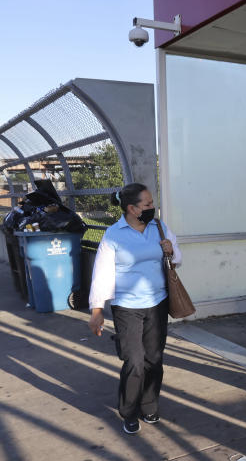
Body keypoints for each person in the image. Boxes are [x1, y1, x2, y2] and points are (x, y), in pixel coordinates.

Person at [87, 183, 181, 434]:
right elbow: (103, 273)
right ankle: (129, 411)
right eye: (148, 204)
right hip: (127, 307)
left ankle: (149, 405)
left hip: (157, 304)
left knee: (154, 359)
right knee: (134, 362)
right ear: (131, 208)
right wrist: (97, 310)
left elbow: (178, 259)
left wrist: (171, 251)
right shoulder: (114, 234)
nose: (153, 208)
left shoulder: (159, 228)